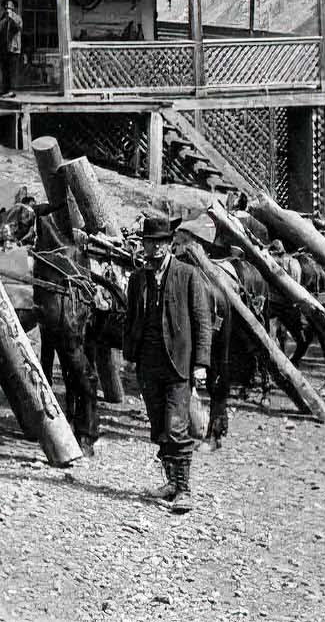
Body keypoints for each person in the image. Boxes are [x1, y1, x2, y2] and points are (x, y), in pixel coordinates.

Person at [123, 214, 212, 513]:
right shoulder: (137, 280)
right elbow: (131, 321)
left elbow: (202, 320)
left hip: (179, 364)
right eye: (151, 242)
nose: (156, 248)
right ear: (144, 245)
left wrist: (200, 363)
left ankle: (184, 490)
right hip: (148, 364)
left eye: (162, 242)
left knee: (176, 426)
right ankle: (172, 483)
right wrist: (129, 357)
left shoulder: (188, 275)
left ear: (170, 244)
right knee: (160, 426)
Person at [0, 0, 23, 97]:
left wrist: (11, 17)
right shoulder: (1, 20)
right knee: (4, 70)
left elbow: (18, 27)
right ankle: (5, 89)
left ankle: (11, 90)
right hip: (3, 48)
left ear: (13, 8)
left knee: (11, 70)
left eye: (10, 7)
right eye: (6, 7)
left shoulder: (17, 18)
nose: (7, 9)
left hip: (13, 48)